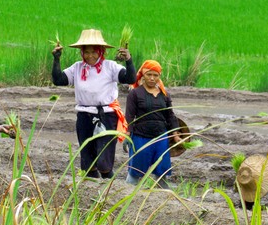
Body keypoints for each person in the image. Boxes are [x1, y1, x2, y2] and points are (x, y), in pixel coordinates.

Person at [51, 29, 135, 179]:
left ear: (101, 51)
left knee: (104, 162)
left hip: (106, 116)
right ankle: (92, 191)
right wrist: (56, 59)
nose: (90, 56)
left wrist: (128, 60)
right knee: (88, 162)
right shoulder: (77, 68)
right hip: (84, 117)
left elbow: (130, 78)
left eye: (94, 52)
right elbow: (58, 80)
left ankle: (110, 188)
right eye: (87, 52)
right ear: (82, 52)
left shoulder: (111, 66)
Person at [124, 59, 178, 187]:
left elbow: (170, 115)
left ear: (159, 77)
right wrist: (127, 134)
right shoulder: (135, 94)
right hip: (140, 138)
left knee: (162, 170)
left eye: (155, 75)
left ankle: (163, 195)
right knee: (136, 171)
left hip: (161, 137)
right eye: (149, 75)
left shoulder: (164, 95)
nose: (152, 78)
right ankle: (128, 194)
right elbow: (130, 116)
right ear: (143, 75)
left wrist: (175, 134)